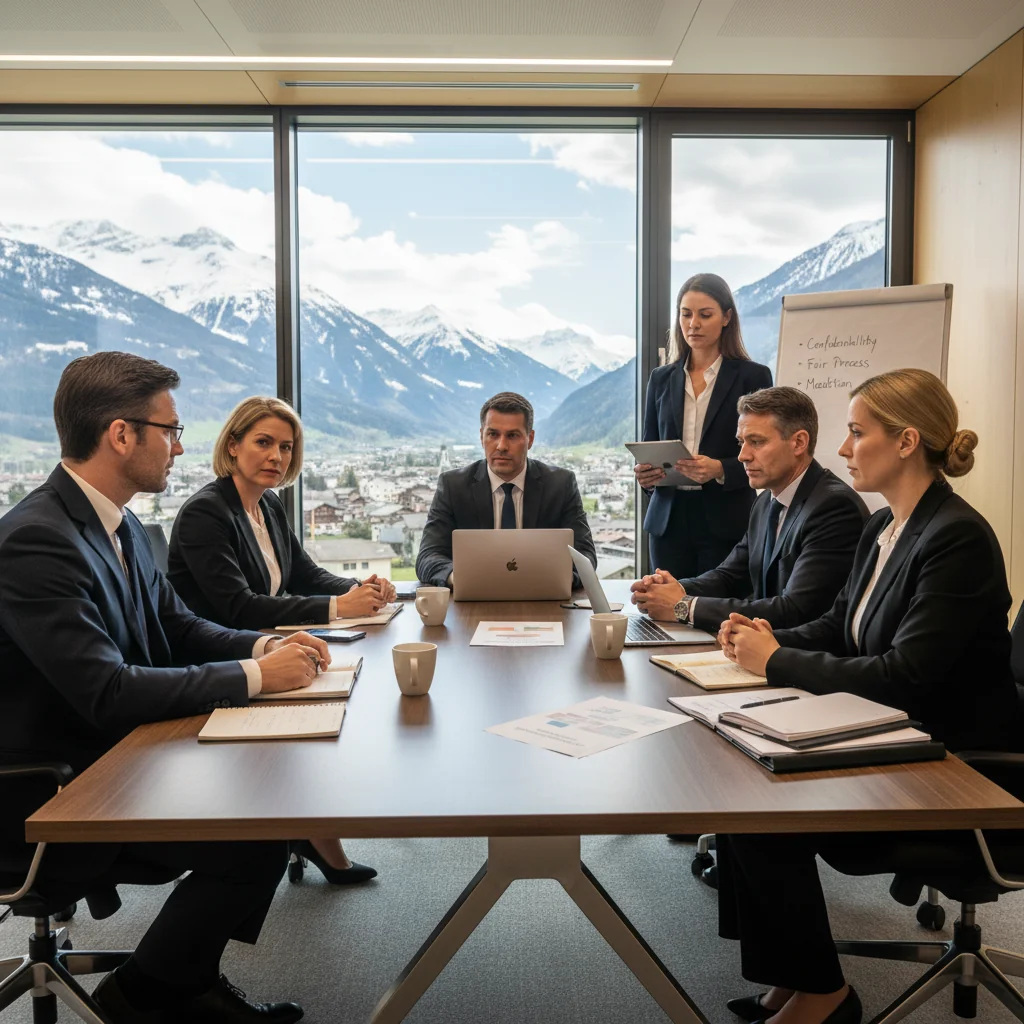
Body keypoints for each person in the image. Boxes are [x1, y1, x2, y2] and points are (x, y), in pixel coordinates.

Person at [0, 351, 333, 1024]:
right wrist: (256, 677)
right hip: (51, 794)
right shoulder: (37, 541)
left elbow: (179, 626)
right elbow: (107, 692)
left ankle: (181, 980)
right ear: (121, 434)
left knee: (274, 803)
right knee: (257, 828)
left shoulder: (121, 524)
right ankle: (151, 992)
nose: (181, 447)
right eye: (170, 430)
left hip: (122, 758)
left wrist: (266, 645)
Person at [713, 369, 1019, 1024]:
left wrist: (777, 662)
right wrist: (769, 639)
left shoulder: (956, 538)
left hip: (955, 770)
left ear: (906, 441)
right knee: (737, 783)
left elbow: (902, 675)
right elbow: (842, 627)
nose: (844, 448)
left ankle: (823, 995)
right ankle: (792, 977)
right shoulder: (885, 524)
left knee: (759, 807)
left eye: (856, 432)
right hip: (895, 739)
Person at [167, 396, 389, 885]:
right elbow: (239, 608)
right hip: (218, 659)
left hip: (266, 646)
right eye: (263, 443)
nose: (277, 457)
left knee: (341, 701)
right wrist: (337, 610)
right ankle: (309, 834)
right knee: (323, 714)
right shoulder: (207, 513)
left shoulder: (266, 503)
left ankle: (311, 831)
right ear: (232, 445)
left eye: (286, 447)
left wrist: (359, 591)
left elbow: (304, 573)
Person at [630, 386, 868, 633]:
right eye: (741, 442)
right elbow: (729, 576)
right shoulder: (766, 502)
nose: (742, 455)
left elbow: (795, 610)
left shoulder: (834, 508)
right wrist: (672, 589)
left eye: (756, 442)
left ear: (799, 442)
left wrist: (683, 607)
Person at [637, 273, 773, 578]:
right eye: (686, 314)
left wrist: (720, 469)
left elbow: (765, 454)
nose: (693, 324)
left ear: (726, 317)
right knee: (663, 611)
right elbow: (651, 447)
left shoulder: (753, 377)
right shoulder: (661, 378)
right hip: (667, 521)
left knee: (715, 615)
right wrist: (647, 476)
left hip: (726, 520)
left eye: (704, 314)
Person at [416, 391, 597, 591]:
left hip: (544, 602)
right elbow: (427, 557)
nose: (502, 446)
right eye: (493, 434)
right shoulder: (453, 486)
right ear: (481, 436)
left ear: (530, 439)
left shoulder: (560, 484)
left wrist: (556, 579)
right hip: (471, 605)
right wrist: (458, 577)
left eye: (512, 435)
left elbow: (585, 556)